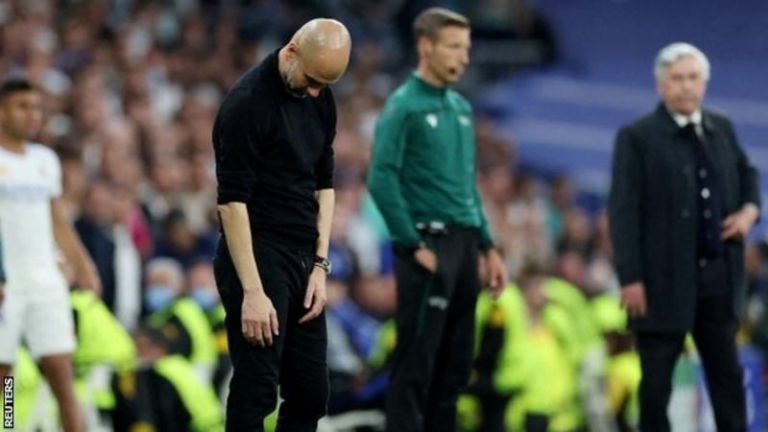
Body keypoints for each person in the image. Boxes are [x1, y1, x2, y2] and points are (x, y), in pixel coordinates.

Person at [367, 8, 508, 432]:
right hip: (428, 244)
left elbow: (467, 187)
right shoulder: (404, 105)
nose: (463, 57)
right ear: (425, 46)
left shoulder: (462, 108)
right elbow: (380, 178)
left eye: (466, 48)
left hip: (465, 246)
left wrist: (488, 246)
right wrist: (411, 244)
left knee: (455, 368)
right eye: (453, 47)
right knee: (415, 368)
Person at [608, 42, 761, 432]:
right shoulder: (637, 137)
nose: (686, 87)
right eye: (677, 78)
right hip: (661, 283)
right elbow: (623, 211)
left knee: (727, 378)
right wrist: (630, 277)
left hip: (717, 281)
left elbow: (748, 175)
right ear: (660, 85)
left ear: (705, 83)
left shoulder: (720, 127)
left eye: (693, 78)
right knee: (656, 385)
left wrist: (749, 212)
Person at [212, 19, 351, 431]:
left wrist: (320, 267)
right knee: (257, 389)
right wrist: (252, 293)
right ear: (291, 50)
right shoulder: (246, 104)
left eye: (324, 85)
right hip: (257, 251)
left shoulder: (321, 96)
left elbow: (324, 187)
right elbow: (231, 204)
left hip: (304, 256)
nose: (314, 92)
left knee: (310, 394)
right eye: (310, 80)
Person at [0, 78, 102, 432]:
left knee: (61, 372)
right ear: (2, 111)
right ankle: (7, 425)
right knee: (6, 375)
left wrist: (83, 265)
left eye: (37, 108)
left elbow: (57, 220)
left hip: (44, 281)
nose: (33, 115)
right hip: (6, 285)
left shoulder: (44, 161)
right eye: (22, 107)